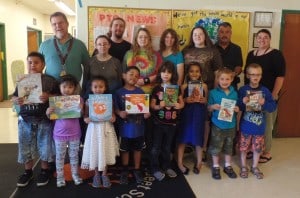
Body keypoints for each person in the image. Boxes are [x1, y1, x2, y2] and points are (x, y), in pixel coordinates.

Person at [13, 52, 59, 187]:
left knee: (45, 145)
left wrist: (49, 96)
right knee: (25, 145)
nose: (33, 65)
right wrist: (16, 100)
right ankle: (28, 171)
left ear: (43, 65)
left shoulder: (50, 80)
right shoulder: (22, 80)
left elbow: (58, 96)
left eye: (36, 62)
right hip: (25, 119)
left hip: (44, 118)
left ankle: (44, 170)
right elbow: (15, 97)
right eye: (30, 62)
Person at [244, 29, 286, 163]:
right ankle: (253, 148)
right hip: (252, 94)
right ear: (256, 39)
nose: (262, 40)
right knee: (252, 121)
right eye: (259, 37)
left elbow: (280, 76)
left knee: (266, 124)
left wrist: (274, 94)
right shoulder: (251, 54)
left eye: (265, 37)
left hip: (267, 95)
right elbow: (247, 73)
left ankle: (266, 152)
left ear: (270, 39)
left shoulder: (276, 54)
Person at [182, 26, 223, 161]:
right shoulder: (185, 51)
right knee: (189, 119)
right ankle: (190, 144)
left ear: (205, 36)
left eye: (200, 34)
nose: (197, 36)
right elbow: (183, 72)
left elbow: (218, 74)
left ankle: (203, 147)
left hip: (207, 89)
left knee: (205, 121)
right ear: (191, 36)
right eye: (195, 34)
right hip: (188, 91)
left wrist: (215, 93)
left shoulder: (213, 51)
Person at [238, 63, 277, 179]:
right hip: (245, 126)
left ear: (261, 76)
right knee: (243, 148)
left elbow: (273, 107)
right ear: (247, 75)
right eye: (252, 74)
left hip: (259, 127)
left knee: (257, 149)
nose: (255, 77)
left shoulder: (265, 91)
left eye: (258, 75)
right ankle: (243, 166)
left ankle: (255, 166)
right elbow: (237, 106)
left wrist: (264, 103)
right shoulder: (243, 90)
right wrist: (242, 102)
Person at [114, 66, 151, 184]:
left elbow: (145, 109)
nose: (134, 77)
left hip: (139, 128)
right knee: (124, 149)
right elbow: (115, 109)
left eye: (136, 76)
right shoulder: (118, 92)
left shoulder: (140, 92)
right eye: (131, 74)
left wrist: (147, 113)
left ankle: (137, 169)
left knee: (138, 149)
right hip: (124, 129)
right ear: (124, 75)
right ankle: (125, 170)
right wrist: (120, 112)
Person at [81, 76, 119, 188]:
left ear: (105, 88)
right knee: (96, 150)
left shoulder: (109, 100)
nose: (98, 89)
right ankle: (96, 174)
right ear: (91, 88)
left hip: (106, 128)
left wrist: (113, 118)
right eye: (95, 87)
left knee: (104, 150)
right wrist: (86, 119)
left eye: (101, 87)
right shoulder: (88, 101)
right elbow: (85, 116)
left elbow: (113, 115)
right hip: (94, 129)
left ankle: (105, 174)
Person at [46, 74, 83, 187]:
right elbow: (50, 117)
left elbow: (81, 115)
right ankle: (60, 177)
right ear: (60, 87)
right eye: (64, 87)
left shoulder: (78, 99)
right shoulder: (56, 101)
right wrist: (48, 112)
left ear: (75, 88)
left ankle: (75, 175)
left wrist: (81, 108)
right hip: (59, 134)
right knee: (60, 156)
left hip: (74, 133)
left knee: (74, 155)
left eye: (70, 87)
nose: (67, 89)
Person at [150, 61, 184, 181]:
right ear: (160, 73)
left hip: (172, 123)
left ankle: (166, 166)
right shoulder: (157, 88)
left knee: (167, 147)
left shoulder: (176, 88)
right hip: (158, 123)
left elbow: (182, 103)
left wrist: (179, 105)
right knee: (156, 147)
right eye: (163, 71)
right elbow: (152, 106)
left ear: (173, 74)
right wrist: (159, 106)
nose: (166, 74)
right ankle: (154, 168)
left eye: (169, 72)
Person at [39, 11, 90, 83]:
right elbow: (38, 67)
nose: (58, 26)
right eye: (54, 24)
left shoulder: (80, 45)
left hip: (73, 89)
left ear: (67, 24)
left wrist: (85, 86)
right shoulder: (44, 45)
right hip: (51, 89)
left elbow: (87, 67)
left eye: (60, 23)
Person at [207, 67, 239, 180]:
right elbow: (208, 108)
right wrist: (212, 107)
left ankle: (227, 165)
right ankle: (216, 166)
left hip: (231, 125)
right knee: (216, 146)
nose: (224, 81)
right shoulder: (213, 93)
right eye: (222, 79)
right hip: (218, 125)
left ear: (231, 79)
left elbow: (238, 107)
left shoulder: (235, 93)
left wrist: (237, 109)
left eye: (227, 79)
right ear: (217, 79)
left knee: (229, 146)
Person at [177, 62, 208, 175]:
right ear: (187, 73)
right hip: (187, 114)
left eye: (197, 71)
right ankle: (180, 162)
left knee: (198, 138)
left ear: (200, 73)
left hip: (199, 113)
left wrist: (204, 100)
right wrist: (185, 100)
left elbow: (206, 101)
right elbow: (180, 101)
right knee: (183, 138)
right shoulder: (184, 86)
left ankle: (199, 162)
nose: (194, 73)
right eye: (191, 71)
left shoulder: (204, 86)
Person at [123, 27, 163, 95]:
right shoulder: (129, 54)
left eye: (145, 37)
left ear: (149, 39)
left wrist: (145, 81)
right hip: (131, 92)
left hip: (150, 93)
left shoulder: (156, 55)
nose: (143, 39)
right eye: (140, 37)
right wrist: (133, 81)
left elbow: (160, 74)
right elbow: (123, 73)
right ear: (136, 39)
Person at [215, 22, 243, 90]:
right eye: (222, 32)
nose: (224, 35)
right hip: (215, 83)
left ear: (231, 33)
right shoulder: (212, 49)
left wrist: (233, 74)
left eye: (227, 32)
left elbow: (239, 66)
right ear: (218, 33)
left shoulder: (237, 49)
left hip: (231, 84)